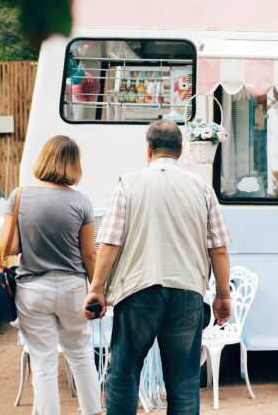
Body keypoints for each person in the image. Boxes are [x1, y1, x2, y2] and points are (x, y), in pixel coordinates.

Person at [85, 119, 232, 415]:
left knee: (124, 375)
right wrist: (223, 295)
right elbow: (218, 248)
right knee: (184, 381)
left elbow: (110, 242)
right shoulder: (202, 189)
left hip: (138, 291)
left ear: (149, 149)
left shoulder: (128, 184)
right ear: (181, 150)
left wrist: (97, 289)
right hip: (187, 294)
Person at [5, 135, 102, 415]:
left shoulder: (18, 196)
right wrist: (98, 290)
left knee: (43, 363)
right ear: (74, 164)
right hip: (73, 288)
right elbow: (89, 255)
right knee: (81, 355)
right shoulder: (81, 202)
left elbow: (9, 248)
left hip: (33, 288)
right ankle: (93, 411)